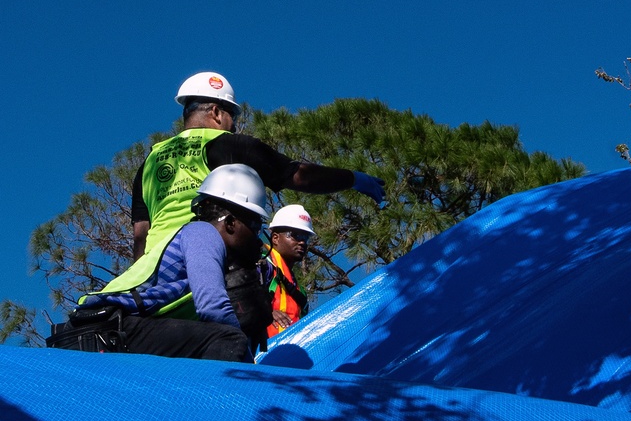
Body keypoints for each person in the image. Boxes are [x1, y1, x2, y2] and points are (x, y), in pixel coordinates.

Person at [125, 71, 384, 271]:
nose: (234, 126)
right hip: (207, 265)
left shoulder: (150, 161)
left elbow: (141, 234)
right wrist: (353, 179)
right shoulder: (228, 145)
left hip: (157, 271)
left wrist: (141, 282)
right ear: (216, 112)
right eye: (231, 117)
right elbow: (297, 175)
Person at [55, 164, 270, 362]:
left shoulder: (198, 241)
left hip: (102, 328)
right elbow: (213, 308)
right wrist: (246, 357)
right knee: (230, 339)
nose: (257, 238)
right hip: (104, 330)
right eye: (255, 226)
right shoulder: (204, 234)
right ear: (231, 222)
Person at [264, 204, 314, 338]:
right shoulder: (261, 266)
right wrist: (265, 312)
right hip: (260, 353)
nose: (302, 242)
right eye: (295, 235)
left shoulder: (299, 290)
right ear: (275, 238)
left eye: (305, 237)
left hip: (289, 353)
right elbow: (237, 302)